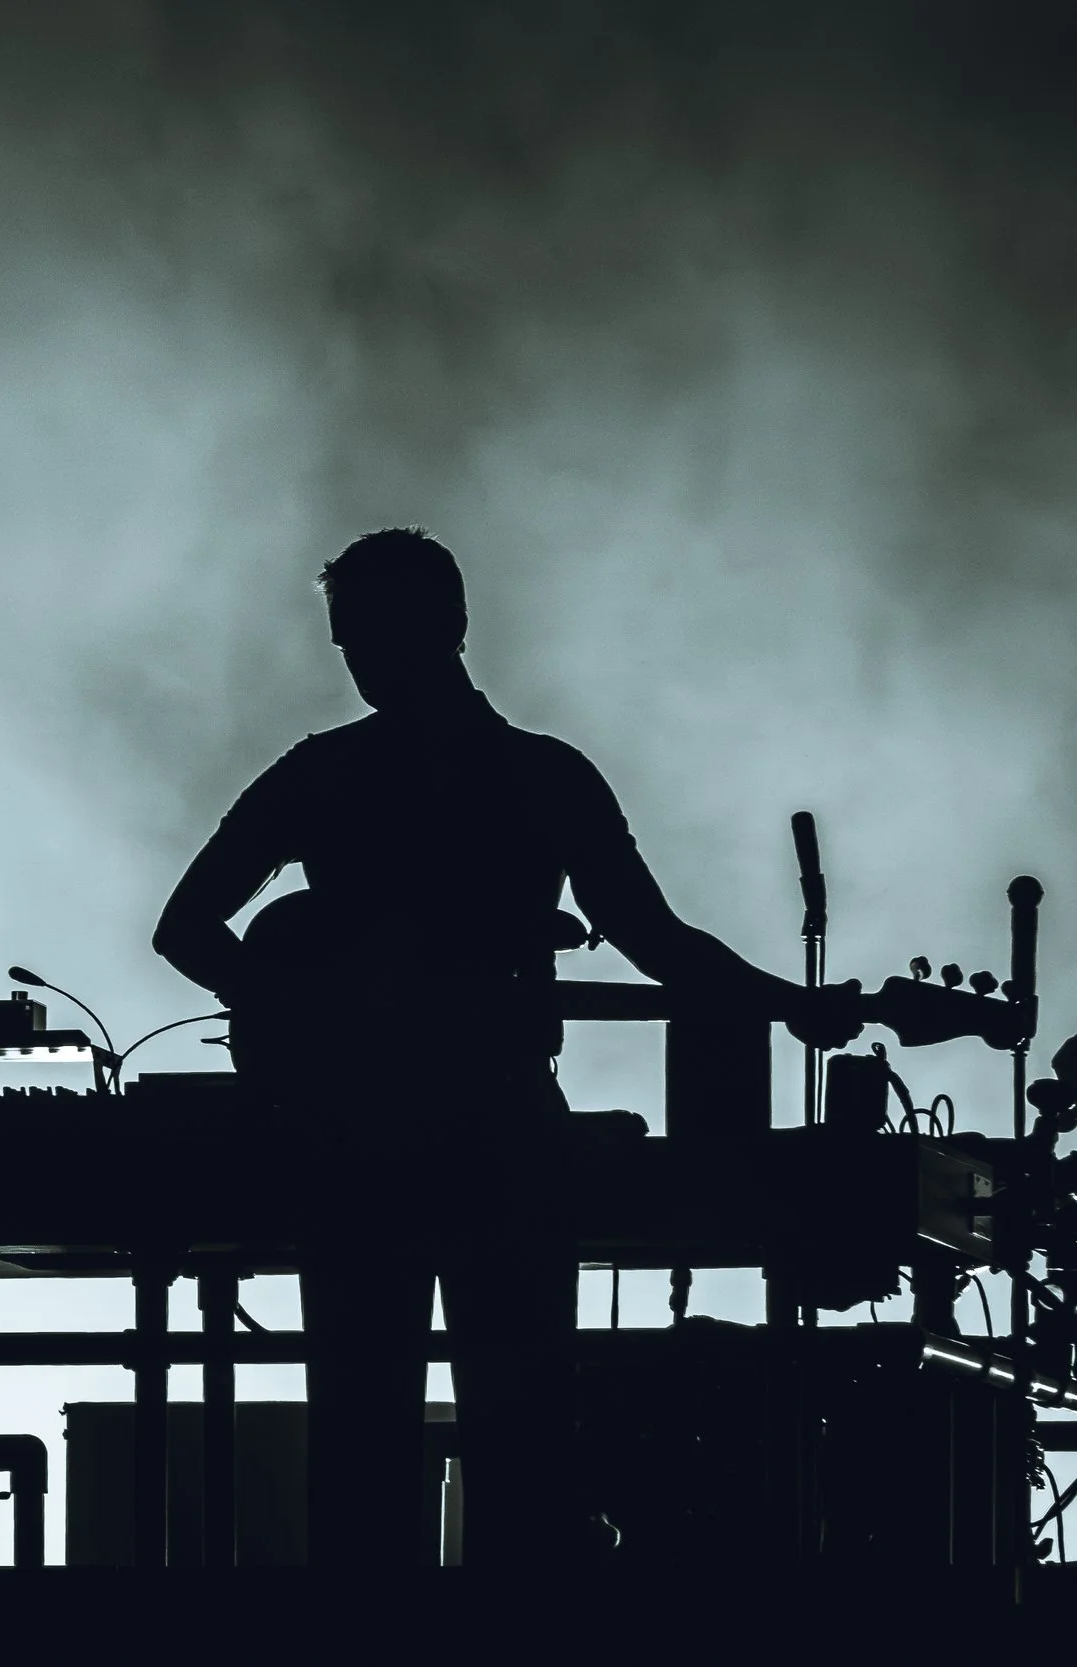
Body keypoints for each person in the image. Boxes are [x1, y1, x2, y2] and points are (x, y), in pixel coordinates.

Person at [152, 529, 859, 1567]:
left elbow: (187, 931)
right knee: (496, 1435)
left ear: (447, 625)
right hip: (483, 1137)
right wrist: (785, 1004)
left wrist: (302, 1018)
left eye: (375, 636)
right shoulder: (530, 775)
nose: (363, 661)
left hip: (387, 1146)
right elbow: (656, 941)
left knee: (382, 1434)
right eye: (351, 641)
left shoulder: (337, 775)